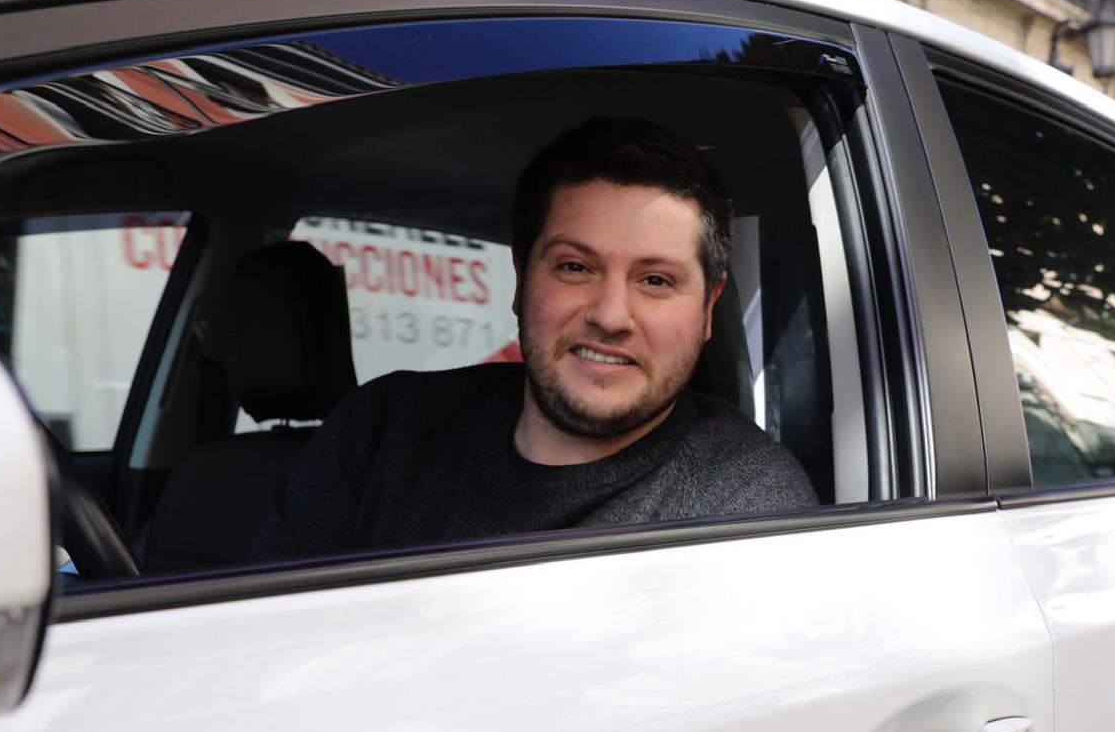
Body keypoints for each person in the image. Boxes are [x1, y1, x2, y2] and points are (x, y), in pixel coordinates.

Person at [247, 116, 818, 561]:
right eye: (575, 267)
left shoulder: (746, 512)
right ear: (522, 281)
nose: (611, 315)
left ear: (707, 310)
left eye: (655, 280)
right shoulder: (383, 430)